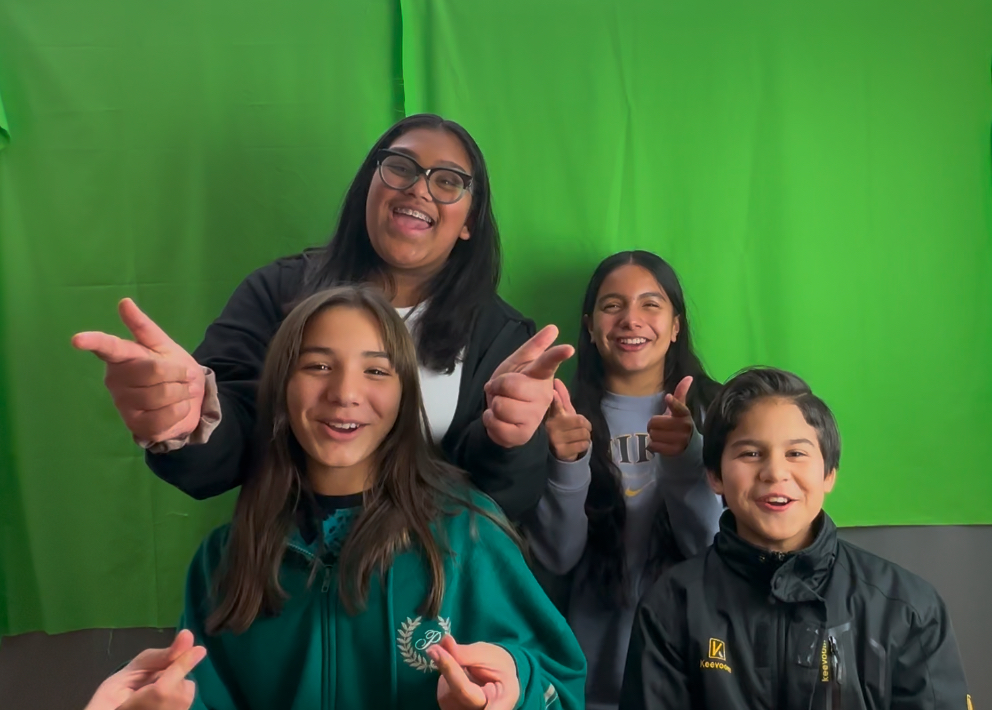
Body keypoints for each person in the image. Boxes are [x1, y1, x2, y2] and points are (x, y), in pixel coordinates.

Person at [72, 114, 571, 520]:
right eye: (401, 167)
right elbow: (218, 460)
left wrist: (508, 441)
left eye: (447, 182)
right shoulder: (277, 293)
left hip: (434, 585)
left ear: (469, 222)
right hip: (289, 571)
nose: (419, 189)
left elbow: (508, 500)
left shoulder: (503, 337)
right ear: (368, 186)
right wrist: (186, 421)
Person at [619, 367, 972, 710]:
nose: (775, 472)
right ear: (715, 475)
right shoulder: (672, 606)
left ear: (829, 474)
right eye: (751, 453)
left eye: (796, 454)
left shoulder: (906, 608)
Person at [523, 251, 723, 710]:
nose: (631, 320)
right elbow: (556, 556)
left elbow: (711, 548)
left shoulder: (715, 412)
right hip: (590, 678)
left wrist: (687, 461)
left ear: (676, 326)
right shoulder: (559, 415)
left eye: (651, 304)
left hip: (696, 677)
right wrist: (567, 463)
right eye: (613, 306)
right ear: (590, 328)